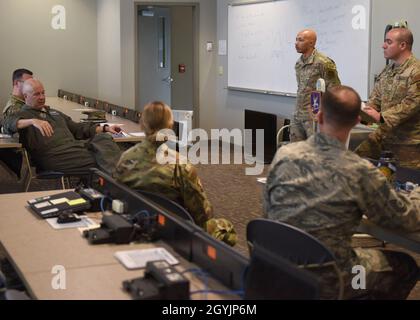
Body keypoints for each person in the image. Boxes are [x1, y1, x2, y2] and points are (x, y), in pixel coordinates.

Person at [264, 85, 420, 299]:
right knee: (405, 265)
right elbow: (404, 219)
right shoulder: (359, 171)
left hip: (276, 267)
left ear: (318, 115)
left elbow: (268, 212)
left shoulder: (284, 155)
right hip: (329, 280)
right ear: (357, 121)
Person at [114, 101, 237, 246]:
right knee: (225, 229)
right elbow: (202, 215)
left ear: (142, 125)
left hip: (135, 222)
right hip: (174, 231)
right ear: (170, 127)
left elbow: (117, 194)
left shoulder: (125, 158)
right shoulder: (180, 165)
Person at [3, 79, 122, 175]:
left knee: (104, 139)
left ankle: (115, 181)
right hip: (55, 156)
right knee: (105, 159)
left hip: (75, 149)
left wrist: (105, 128)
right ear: (25, 96)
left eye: (43, 93)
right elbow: (7, 123)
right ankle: (121, 183)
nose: (42, 97)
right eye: (36, 94)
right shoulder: (22, 114)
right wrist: (32, 121)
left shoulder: (53, 112)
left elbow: (77, 128)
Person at [356, 28, 420, 169]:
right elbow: (376, 98)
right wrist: (363, 113)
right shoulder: (387, 71)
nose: (383, 45)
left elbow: (412, 103)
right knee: (357, 163)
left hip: (408, 143)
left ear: (403, 45)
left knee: (405, 185)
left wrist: (381, 117)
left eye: (388, 42)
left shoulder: (416, 70)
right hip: (385, 137)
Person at [292, 29, 341, 142]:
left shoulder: (324, 62)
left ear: (311, 43)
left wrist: (324, 113)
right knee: (296, 152)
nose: (296, 43)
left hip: (313, 117)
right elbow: (301, 89)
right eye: (296, 39)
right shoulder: (299, 63)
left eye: (300, 40)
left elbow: (335, 90)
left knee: (314, 152)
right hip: (298, 114)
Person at [1, 68, 33, 134]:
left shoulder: (22, 103)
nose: (31, 86)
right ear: (16, 83)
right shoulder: (14, 107)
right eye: (27, 83)